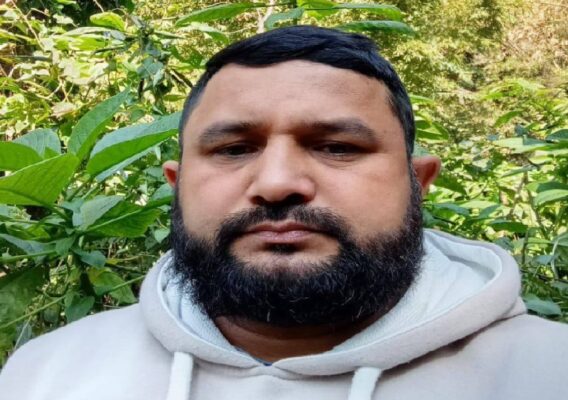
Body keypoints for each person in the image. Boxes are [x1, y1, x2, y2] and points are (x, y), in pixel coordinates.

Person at [1, 25, 567, 400]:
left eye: (337, 147)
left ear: (418, 184)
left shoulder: (548, 374)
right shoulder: (45, 374)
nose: (276, 184)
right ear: (178, 186)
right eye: (234, 149)